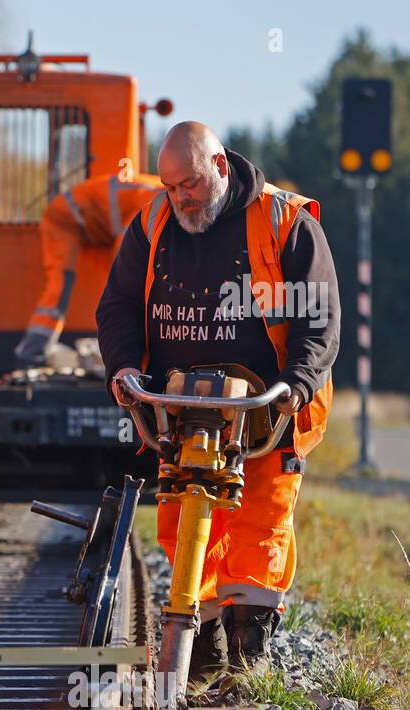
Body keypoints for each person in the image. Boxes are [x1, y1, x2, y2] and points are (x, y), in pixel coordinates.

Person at [95, 122, 339, 681]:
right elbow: (118, 306)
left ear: (222, 167)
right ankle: (200, 649)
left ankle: (249, 650)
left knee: (260, 522)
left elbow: (319, 316)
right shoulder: (153, 223)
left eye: (191, 185)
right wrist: (125, 367)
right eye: (171, 187)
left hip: (265, 411)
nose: (181, 198)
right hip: (181, 408)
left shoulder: (284, 222)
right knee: (183, 517)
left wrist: (297, 383)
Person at [14, 172, 162, 367]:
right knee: (60, 286)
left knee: (112, 292)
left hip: (96, 230)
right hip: (63, 219)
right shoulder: (155, 203)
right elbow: (125, 251)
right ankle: (31, 353)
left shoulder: (162, 193)